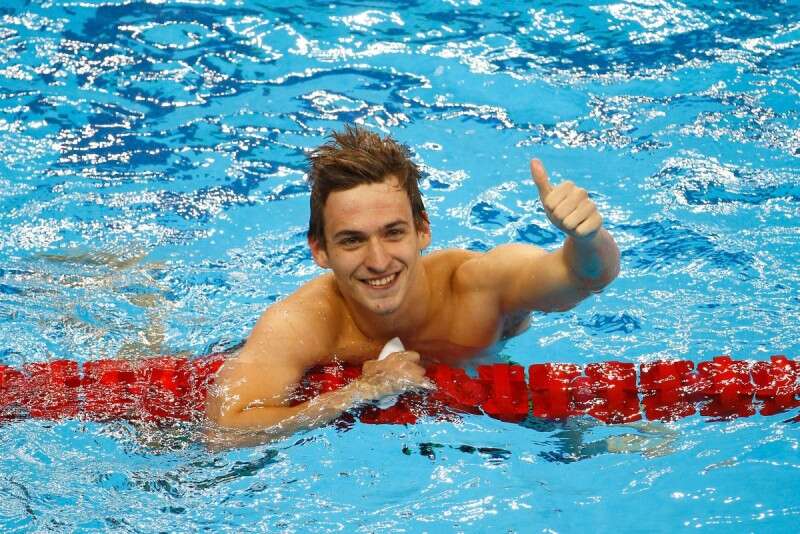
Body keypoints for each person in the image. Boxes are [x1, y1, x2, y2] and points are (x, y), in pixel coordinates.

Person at [205, 125, 620, 444]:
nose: (378, 261)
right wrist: (353, 394)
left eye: (393, 233)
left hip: (499, 404)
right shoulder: (304, 322)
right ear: (320, 250)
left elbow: (584, 277)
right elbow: (223, 429)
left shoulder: (477, 286)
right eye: (352, 240)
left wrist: (587, 239)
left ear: (423, 230)